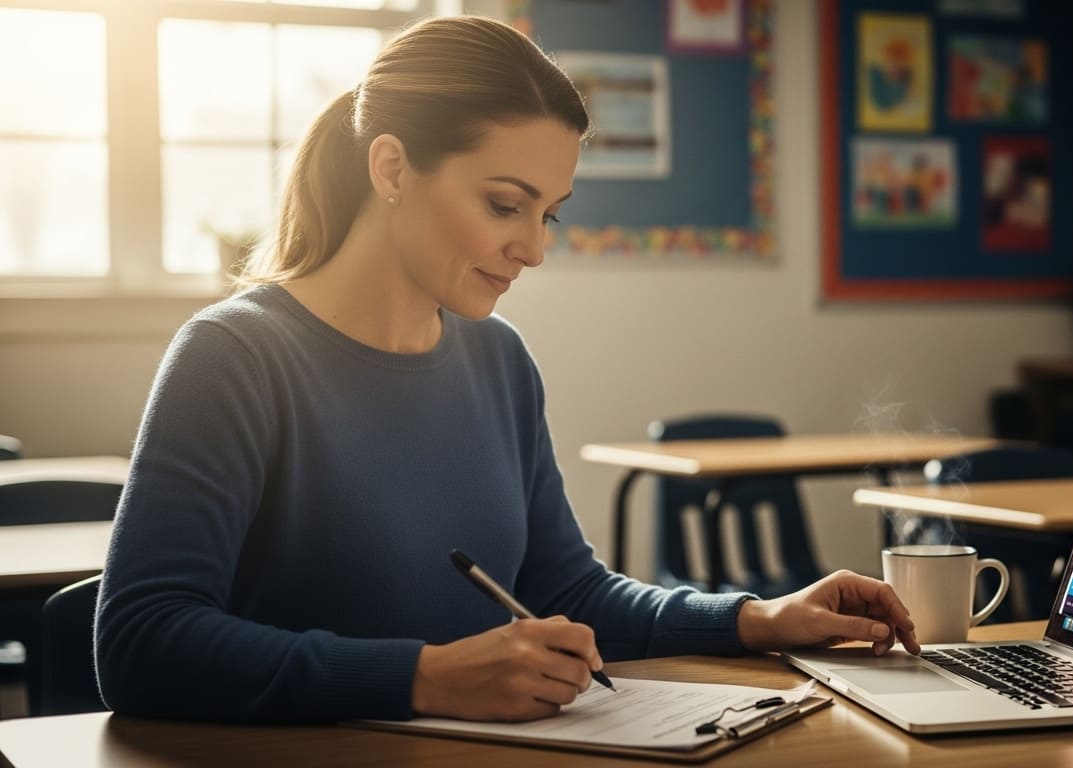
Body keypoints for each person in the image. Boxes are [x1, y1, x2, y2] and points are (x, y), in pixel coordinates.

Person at [95, 15, 919, 725]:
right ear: (390, 170)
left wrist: (757, 619)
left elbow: (573, 594)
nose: (534, 248)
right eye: (504, 205)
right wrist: (423, 677)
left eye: (549, 214)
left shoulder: (499, 360)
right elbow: (141, 641)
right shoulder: (233, 357)